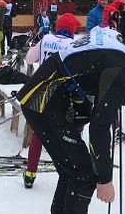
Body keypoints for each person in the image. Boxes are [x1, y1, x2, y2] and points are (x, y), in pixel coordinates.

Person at [17, 24, 125, 214]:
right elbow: (100, 126)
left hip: (44, 96)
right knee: (84, 175)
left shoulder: (119, 44)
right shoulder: (121, 67)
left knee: (73, 170)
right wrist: (104, 179)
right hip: (43, 101)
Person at [22, 12, 80, 189]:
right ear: (72, 29)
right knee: (68, 136)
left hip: (42, 93)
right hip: (62, 95)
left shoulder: (46, 38)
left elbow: (29, 59)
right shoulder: (74, 44)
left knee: (39, 134)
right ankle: (74, 172)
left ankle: (30, 173)